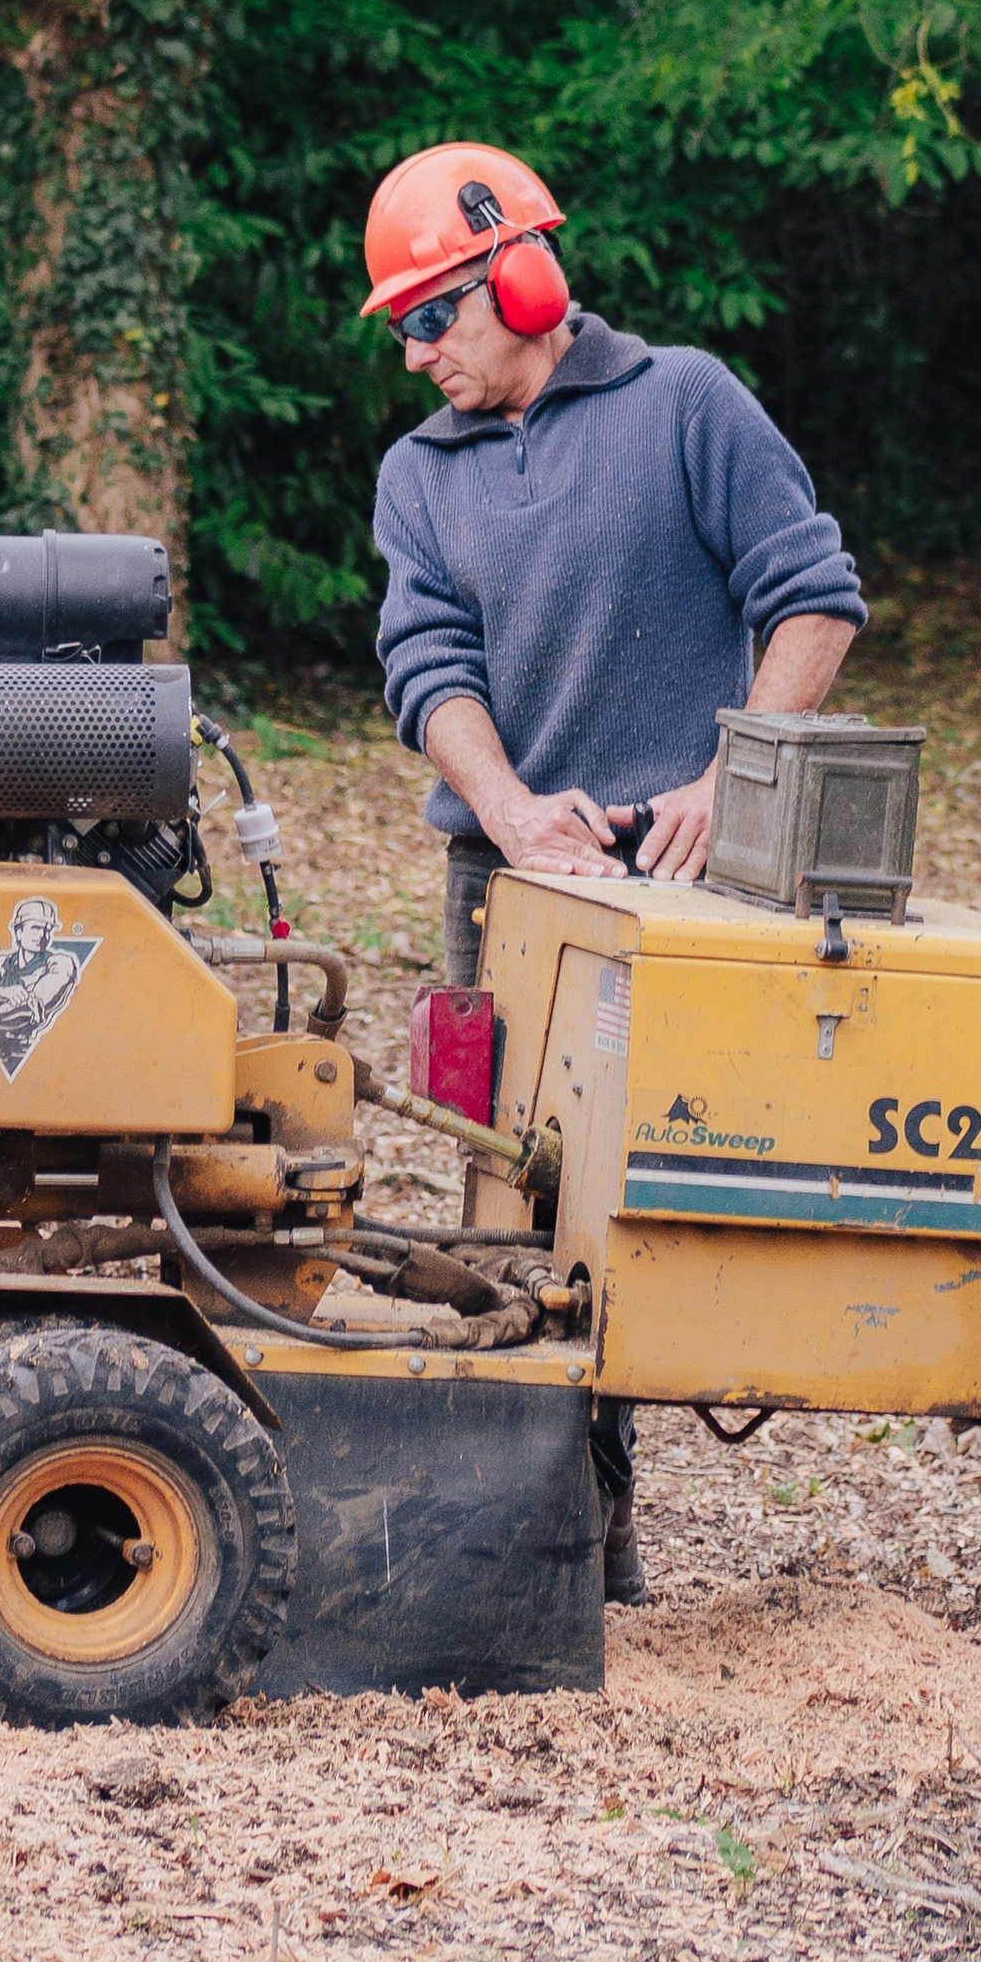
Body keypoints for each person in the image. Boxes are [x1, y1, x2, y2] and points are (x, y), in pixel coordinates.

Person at [363, 139, 866, 1602]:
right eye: (403, 325)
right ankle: (558, 1546)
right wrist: (511, 809)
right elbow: (426, 661)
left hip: (675, 891)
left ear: (516, 275)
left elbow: (813, 599)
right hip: (505, 888)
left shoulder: (685, 405)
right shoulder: (421, 474)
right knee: (502, 1211)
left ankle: (604, 1531)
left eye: (427, 318)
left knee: (635, 1205)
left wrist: (735, 774)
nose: (416, 354)